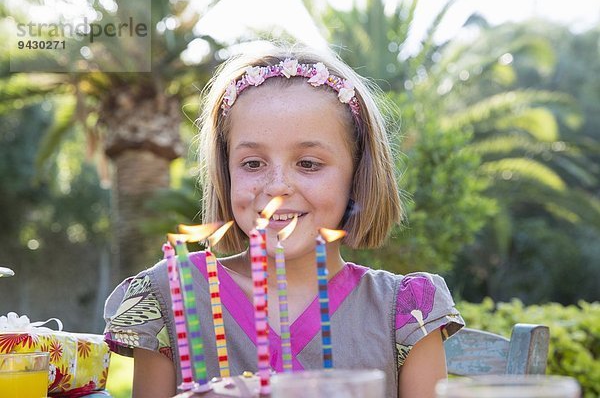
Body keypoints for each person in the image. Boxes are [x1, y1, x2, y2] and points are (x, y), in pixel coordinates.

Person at [104, 42, 464, 398]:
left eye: (308, 164)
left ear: (357, 176)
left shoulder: (404, 312)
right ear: (226, 174)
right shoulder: (174, 296)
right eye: (253, 164)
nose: (277, 186)